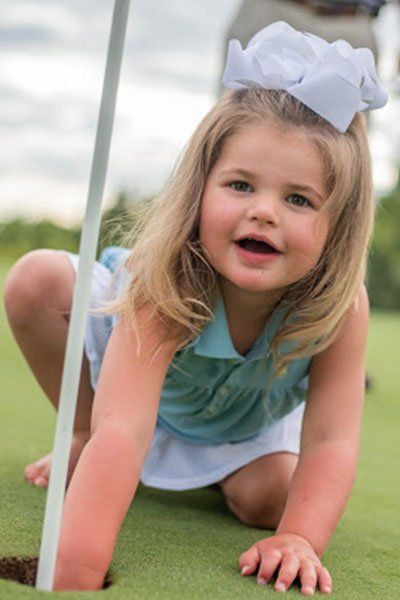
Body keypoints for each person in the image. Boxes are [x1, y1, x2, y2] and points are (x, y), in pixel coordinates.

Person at [3, 21, 388, 594]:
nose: (263, 212)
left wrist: (300, 537)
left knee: (273, 501)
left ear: (339, 228)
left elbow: (331, 440)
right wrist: (74, 572)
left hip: (237, 428)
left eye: (299, 199)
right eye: (239, 186)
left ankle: (209, 471)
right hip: (126, 401)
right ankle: (73, 434)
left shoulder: (340, 309)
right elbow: (123, 432)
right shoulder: (167, 283)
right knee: (36, 278)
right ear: (200, 189)